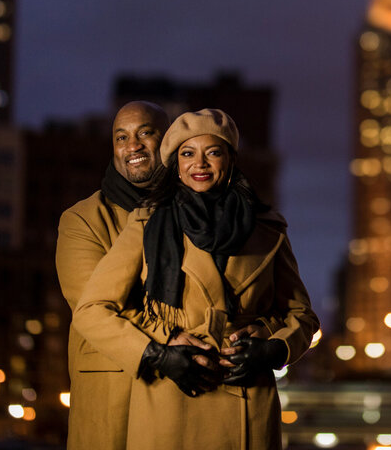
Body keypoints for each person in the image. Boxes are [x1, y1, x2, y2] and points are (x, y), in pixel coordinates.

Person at [73, 108, 319, 450]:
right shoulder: (148, 224)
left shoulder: (268, 229)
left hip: (248, 399)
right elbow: (92, 309)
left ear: (230, 160)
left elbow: (302, 316)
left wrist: (274, 347)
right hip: (172, 399)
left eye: (212, 153)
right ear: (175, 164)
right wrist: (155, 355)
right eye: (187, 154)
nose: (199, 164)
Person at [55, 100, 169, 450]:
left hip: (182, 398)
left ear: (169, 142)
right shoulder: (82, 220)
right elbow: (94, 309)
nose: (132, 146)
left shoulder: (196, 212)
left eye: (144, 133)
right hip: (113, 393)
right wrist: (170, 345)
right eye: (121, 138)